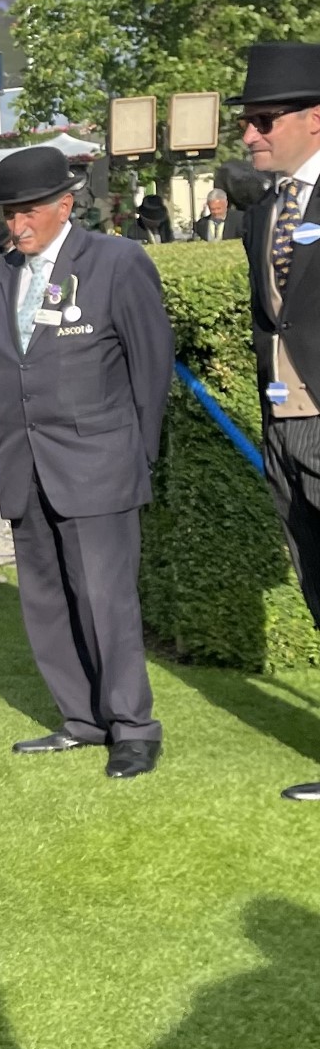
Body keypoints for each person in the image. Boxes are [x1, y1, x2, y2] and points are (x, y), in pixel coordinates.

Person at [0, 145, 172, 778]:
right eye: (8, 211)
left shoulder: (118, 262)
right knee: (44, 599)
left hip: (100, 464)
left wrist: (135, 459)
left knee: (106, 600)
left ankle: (133, 727)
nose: (17, 223)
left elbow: (151, 369)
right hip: (24, 466)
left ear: (66, 205)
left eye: (28, 209)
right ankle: (83, 720)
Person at [232, 43, 320, 801]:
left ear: (314, 118)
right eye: (247, 122)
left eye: (264, 119)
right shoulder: (263, 215)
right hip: (284, 431)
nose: (251, 135)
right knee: (317, 589)